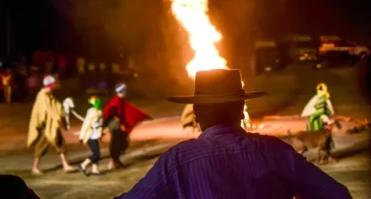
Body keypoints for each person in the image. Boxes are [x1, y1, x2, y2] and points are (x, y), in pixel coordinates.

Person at [116, 69, 351, 199]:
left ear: (196, 113)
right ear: (242, 109)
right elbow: (337, 195)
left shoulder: (177, 161)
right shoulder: (276, 151)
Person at [27, 75, 75, 175]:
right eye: (54, 84)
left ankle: (65, 165)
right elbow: (45, 110)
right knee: (42, 146)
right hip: (46, 126)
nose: (55, 86)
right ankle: (35, 167)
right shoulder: (42, 95)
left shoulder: (50, 95)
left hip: (53, 125)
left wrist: (63, 108)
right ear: (50, 85)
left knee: (60, 143)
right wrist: (56, 117)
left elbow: (56, 106)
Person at [103, 83, 152, 169]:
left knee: (123, 142)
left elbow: (127, 110)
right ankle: (113, 161)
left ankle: (115, 160)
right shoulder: (116, 101)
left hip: (118, 125)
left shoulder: (121, 100)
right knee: (116, 143)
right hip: (115, 126)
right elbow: (109, 112)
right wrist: (117, 121)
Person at [78, 96, 103, 176]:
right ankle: (83, 165)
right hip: (91, 136)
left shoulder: (97, 112)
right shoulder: (93, 113)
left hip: (95, 136)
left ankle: (95, 169)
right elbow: (86, 125)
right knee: (96, 154)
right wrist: (81, 137)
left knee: (97, 153)